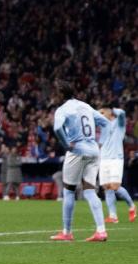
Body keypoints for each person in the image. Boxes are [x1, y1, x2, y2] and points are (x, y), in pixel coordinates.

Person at [50, 81, 109, 242]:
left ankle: (67, 232)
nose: (54, 96)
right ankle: (101, 231)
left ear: (62, 94)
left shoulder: (62, 110)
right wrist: (100, 142)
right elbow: (106, 123)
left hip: (77, 151)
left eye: (56, 93)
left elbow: (57, 128)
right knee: (90, 191)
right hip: (93, 151)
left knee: (69, 191)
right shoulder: (85, 106)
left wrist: (66, 144)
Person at [98, 106, 135, 223]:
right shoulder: (103, 125)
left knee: (115, 187)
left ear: (110, 113)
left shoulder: (119, 124)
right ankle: (113, 216)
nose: (101, 114)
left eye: (103, 112)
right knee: (107, 188)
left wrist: (112, 110)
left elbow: (123, 113)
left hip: (115, 158)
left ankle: (132, 206)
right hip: (103, 159)